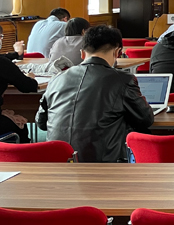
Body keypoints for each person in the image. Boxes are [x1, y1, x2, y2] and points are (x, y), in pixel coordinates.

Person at [35, 25, 154, 162]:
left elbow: (41, 122)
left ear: (82, 54)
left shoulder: (57, 79)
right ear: (117, 52)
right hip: (101, 164)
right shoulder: (123, 80)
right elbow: (146, 119)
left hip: (57, 162)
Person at [0, 41, 38, 143]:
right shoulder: (2, 63)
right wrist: (30, 78)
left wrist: (16, 54)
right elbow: (27, 86)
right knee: (21, 127)